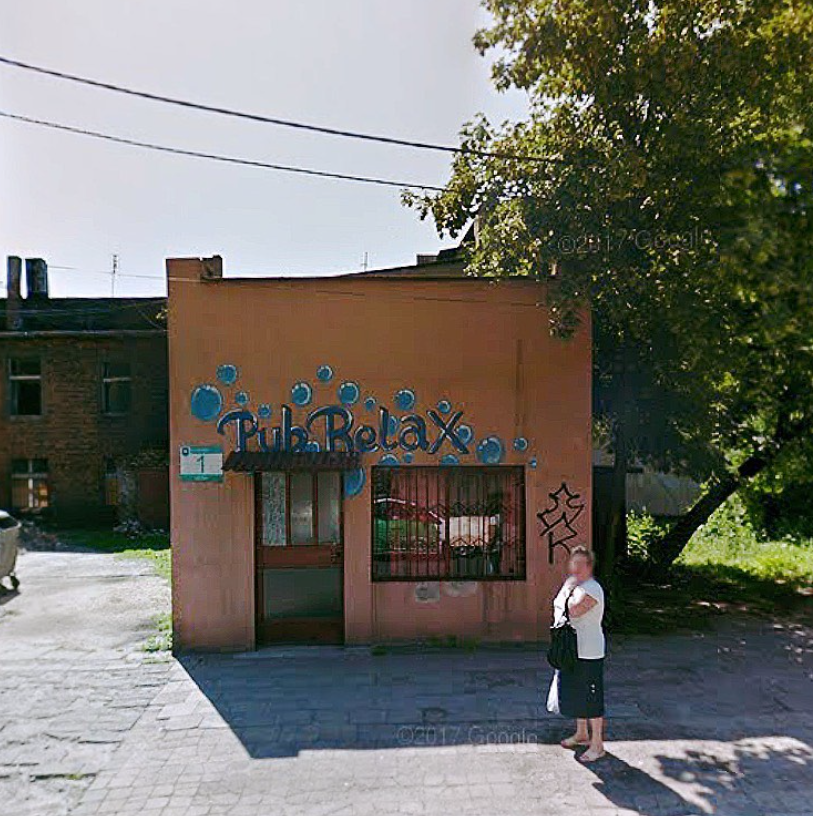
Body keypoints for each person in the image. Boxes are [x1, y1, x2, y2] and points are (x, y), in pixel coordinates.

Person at [550, 546, 606, 762]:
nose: (575, 568)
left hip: (589, 652)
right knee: (576, 692)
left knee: (591, 697)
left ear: (589, 567)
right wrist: (569, 589)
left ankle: (597, 744)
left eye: (580, 564)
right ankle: (582, 734)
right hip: (573, 650)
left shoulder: (592, 588)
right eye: (573, 563)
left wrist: (568, 590)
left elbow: (573, 610)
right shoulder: (574, 586)